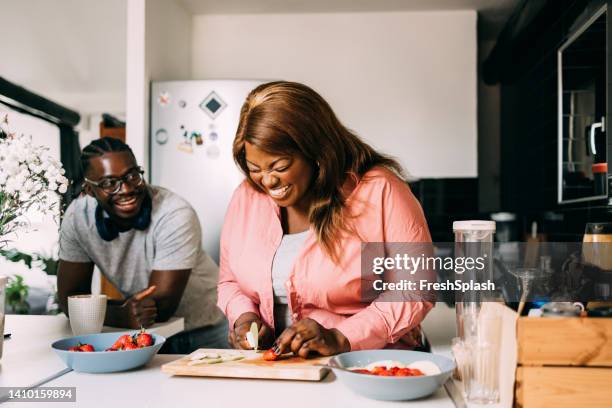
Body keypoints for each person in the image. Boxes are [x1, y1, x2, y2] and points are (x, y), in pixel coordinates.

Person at [218, 81, 434, 357]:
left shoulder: (380, 192)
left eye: (280, 167)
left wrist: (341, 337)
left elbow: (414, 291)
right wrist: (243, 317)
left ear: (316, 152)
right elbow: (229, 281)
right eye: (255, 169)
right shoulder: (247, 197)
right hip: (277, 370)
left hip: (368, 367)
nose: (268, 181)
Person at [57, 137, 227, 353]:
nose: (126, 189)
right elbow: (69, 302)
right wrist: (122, 314)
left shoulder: (174, 213)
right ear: (90, 191)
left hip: (206, 330)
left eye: (132, 176)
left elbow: (160, 309)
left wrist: (107, 312)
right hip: (147, 334)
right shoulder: (77, 218)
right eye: (110, 183)